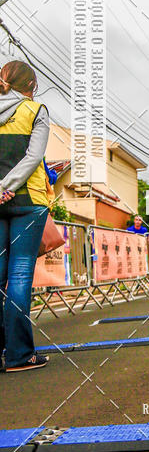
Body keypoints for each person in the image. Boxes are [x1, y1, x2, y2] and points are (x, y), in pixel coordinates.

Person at [0, 61, 50, 372]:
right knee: (19, 278)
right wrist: (6, 186)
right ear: (30, 86)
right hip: (28, 201)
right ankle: (19, 355)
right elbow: (33, 157)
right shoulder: (36, 110)